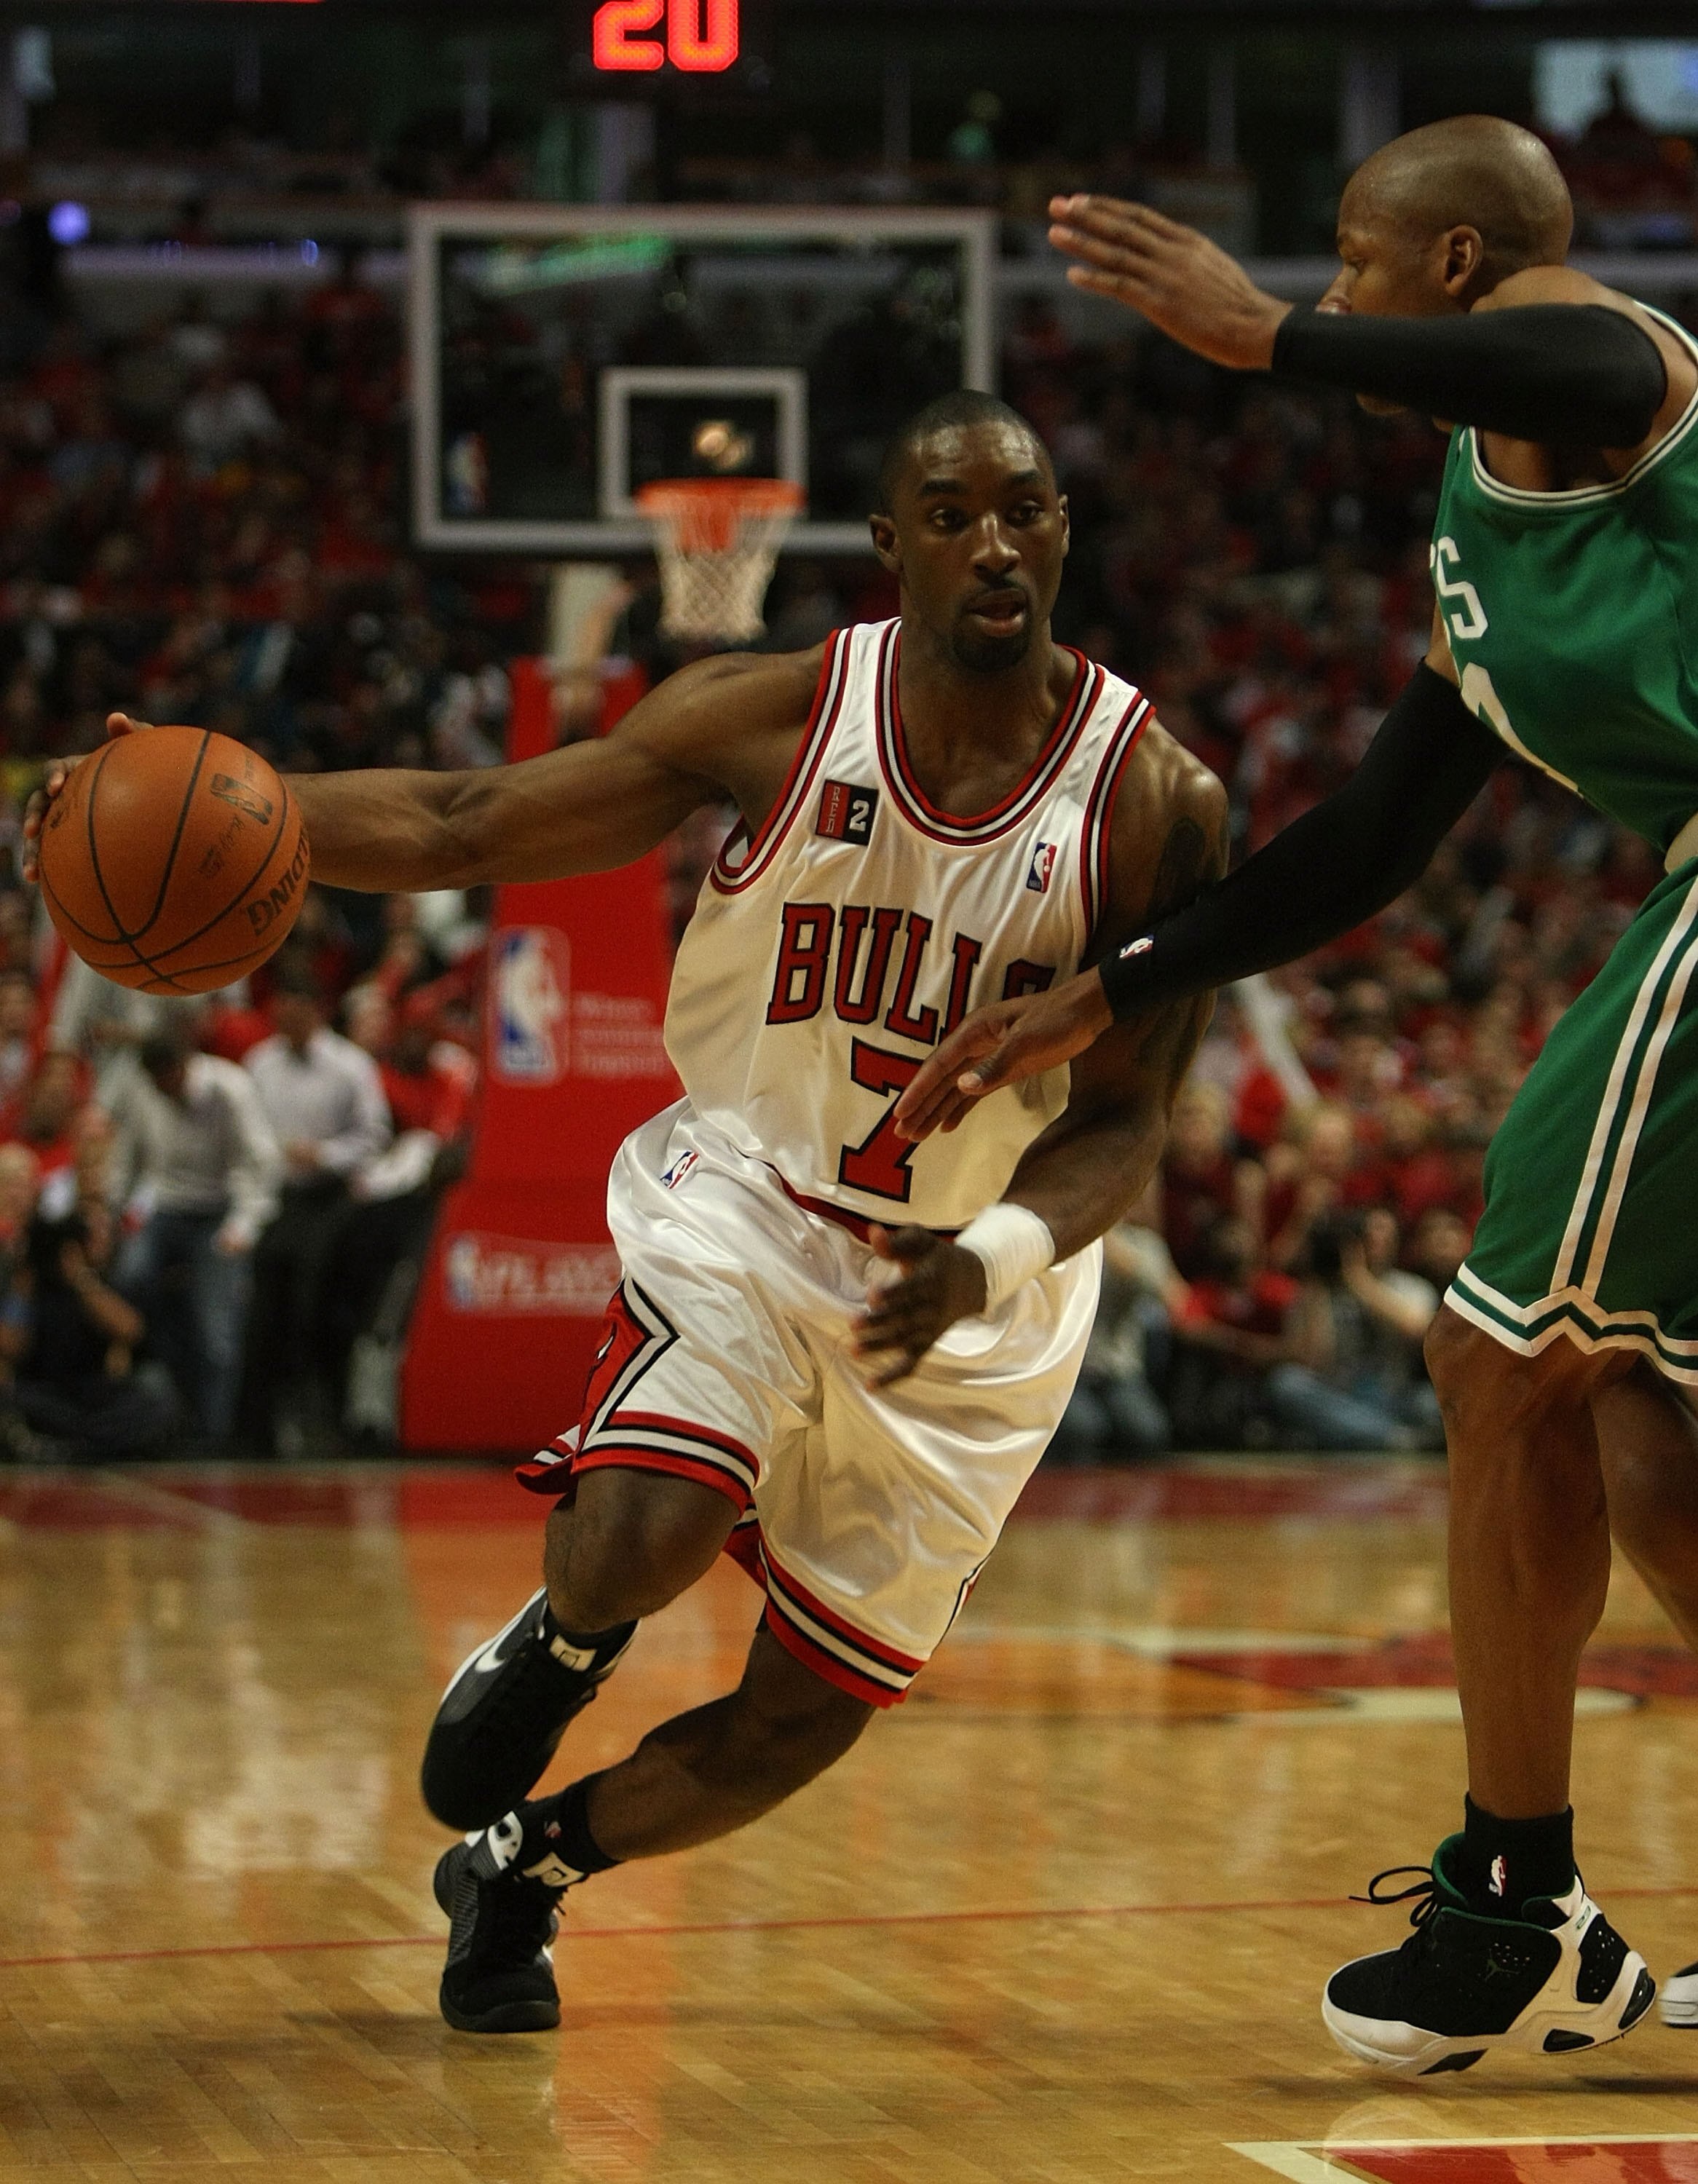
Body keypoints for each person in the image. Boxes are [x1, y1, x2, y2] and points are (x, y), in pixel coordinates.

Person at [33, 392, 1225, 2035]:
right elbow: (473, 823)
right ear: (891, 546)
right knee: (651, 1534)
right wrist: (203, 796)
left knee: (799, 1723)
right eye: (949, 511)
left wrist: (992, 1255)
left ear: (1065, 534)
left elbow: (1126, 1126)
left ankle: (525, 1866)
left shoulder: (1157, 801)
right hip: (754, 1195)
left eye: (1024, 507)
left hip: (980, 1289)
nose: (993, 539)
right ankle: (569, 1630)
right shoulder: (770, 717)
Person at [893, 116, 1698, 2069]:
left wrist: (1266, 340)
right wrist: (1119, 981)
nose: (1329, 291)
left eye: (1351, 259)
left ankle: (1511, 1909)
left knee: (1497, 1358)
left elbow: (1593, 354)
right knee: (1643, 1445)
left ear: (1447, 267)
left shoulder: (1621, 384)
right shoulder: (1469, 523)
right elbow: (1369, 837)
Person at [239, 963, 390, 1455]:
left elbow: (374, 1137)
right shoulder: (260, 1063)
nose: (288, 1018)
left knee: (314, 1293)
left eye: (298, 1011)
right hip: (275, 1198)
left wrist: (323, 1154)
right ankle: (259, 1425)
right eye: (282, 1010)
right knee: (265, 1299)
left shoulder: (350, 1066)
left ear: (318, 1011)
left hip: (330, 1200)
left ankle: (319, 1414)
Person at [108, 1026, 283, 1447]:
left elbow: (261, 1164)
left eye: (167, 1081)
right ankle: (156, 1396)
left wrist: (243, 1225)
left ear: (184, 1067)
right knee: (128, 1279)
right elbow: (126, 1159)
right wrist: (115, 1212)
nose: (163, 1091)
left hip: (219, 1209)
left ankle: (212, 1435)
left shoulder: (230, 1089)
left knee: (216, 1333)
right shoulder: (142, 1092)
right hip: (164, 1206)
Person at [1, 1206, 177, 1461]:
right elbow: (10, 1348)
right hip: (43, 1393)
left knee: (159, 1402)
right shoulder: (25, 1285)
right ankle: (84, 1446)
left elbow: (131, 1330)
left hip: (91, 1394)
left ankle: (73, 1448)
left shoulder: (99, 1281)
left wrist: (79, 1277)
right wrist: (24, 1286)